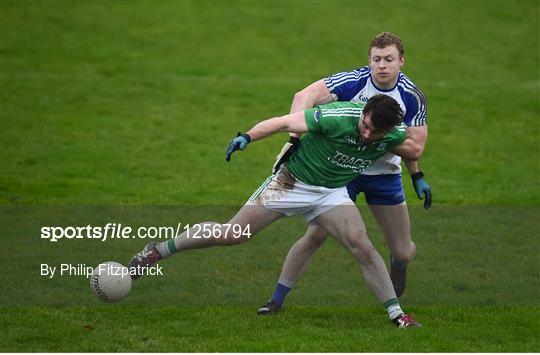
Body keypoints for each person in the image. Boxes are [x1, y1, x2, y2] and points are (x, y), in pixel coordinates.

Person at [129, 95, 421, 328]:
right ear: (364, 112)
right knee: (233, 233)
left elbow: (412, 149)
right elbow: (282, 122)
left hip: (331, 193)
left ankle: (397, 315)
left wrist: (416, 175)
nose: (367, 134)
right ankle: (157, 251)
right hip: (291, 183)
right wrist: (248, 137)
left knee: (361, 244)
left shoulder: (392, 132)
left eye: (375, 132)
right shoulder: (336, 117)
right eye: (365, 125)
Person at [258, 32, 431, 316]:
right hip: (343, 171)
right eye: (376, 59)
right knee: (315, 235)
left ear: (402, 61)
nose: (382, 65)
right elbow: (304, 96)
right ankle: (276, 300)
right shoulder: (353, 81)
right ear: (369, 60)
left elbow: (415, 146)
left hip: (384, 175)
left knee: (403, 250)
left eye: (389, 59)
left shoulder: (412, 97)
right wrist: (294, 139)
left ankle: (398, 263)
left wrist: (416, 175)